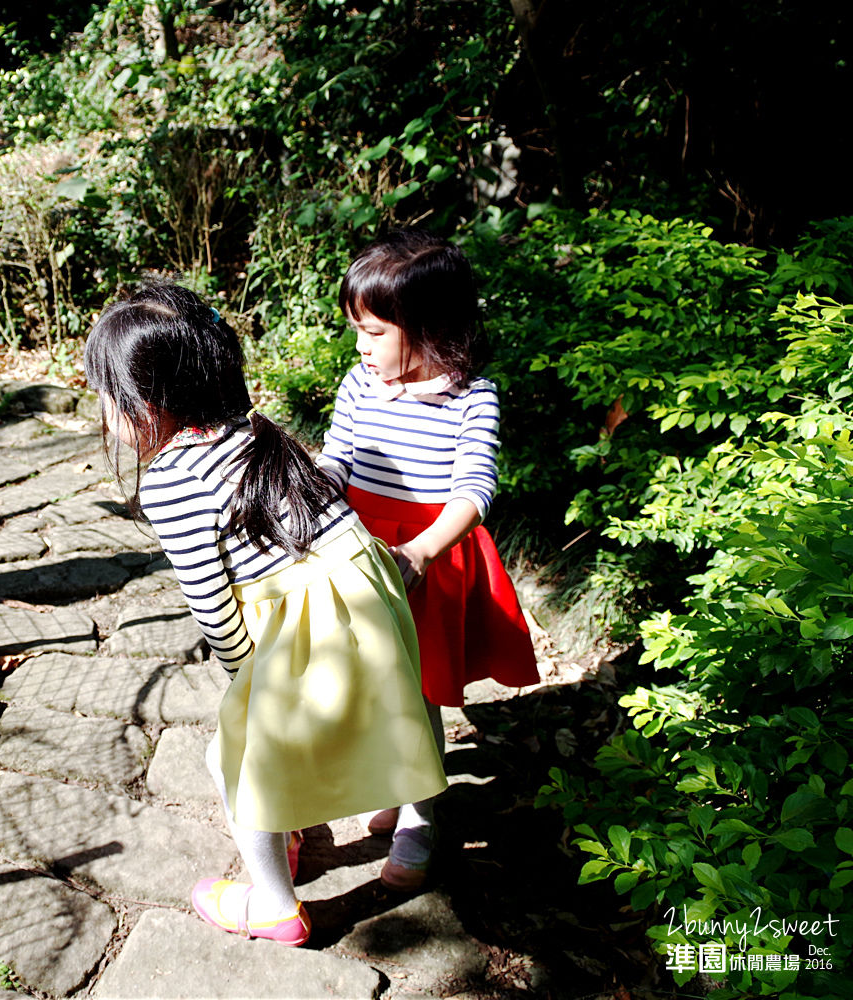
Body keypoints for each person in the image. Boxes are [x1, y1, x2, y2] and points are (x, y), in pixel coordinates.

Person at [84, 283, 447, 946]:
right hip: (366, 589)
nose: (105, 413)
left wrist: (241, 672)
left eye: (108, 396)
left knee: (238, 756)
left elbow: (210, 600)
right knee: (348, 724)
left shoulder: (170, 478)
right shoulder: (253, 431)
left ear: (149, 404)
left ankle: (274, 903)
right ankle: (324, 825)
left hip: (312, 617)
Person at [318, 229, 540, 891]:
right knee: (365, 681)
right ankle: (391, 778)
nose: (361, 346)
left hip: (427, 556)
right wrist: (311, 496)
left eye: (374, 331)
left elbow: (474, 489)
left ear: (431, 329)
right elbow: (337, 459)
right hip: (359, 549)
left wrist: (419, 550)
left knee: (417, 694)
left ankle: (420, 814)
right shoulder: (360, 383)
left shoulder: (472, 396)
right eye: (356, 330)